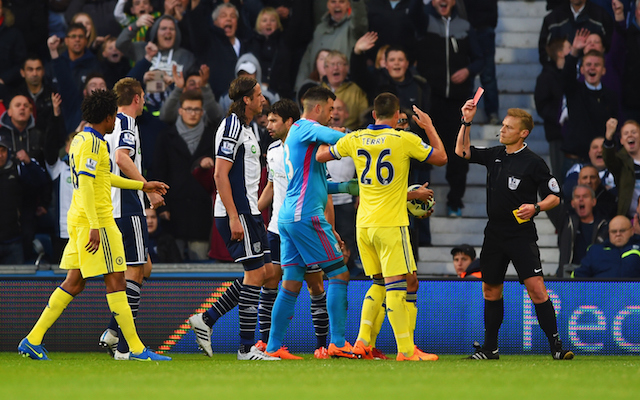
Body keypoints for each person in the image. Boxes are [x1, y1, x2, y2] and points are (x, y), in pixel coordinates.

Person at [17, 89, 170, 361]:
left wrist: (143, 185)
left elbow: (104, 178)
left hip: (79, 219)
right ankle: (135, 349)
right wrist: (96, 225)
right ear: (109, 117)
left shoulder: (80, 139)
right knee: (117, 282)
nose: (115, 123)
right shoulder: (95, 144)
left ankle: (32, 339)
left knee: (74, 283)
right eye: (114, 118)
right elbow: (88, 186)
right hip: (96, 220)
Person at [317, 93, 447, 361]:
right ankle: (407, 351)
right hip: (390, 224)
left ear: (374, 114)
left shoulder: (355, 138)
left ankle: (363, 342)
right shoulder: (404, 139)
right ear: (398, 115)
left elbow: (320, 155)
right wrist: (429, 127)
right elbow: (442, 157)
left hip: (363, 224)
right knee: (397, 285)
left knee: (378, 283)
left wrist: (333, 134)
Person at [455, 99, 574, 360]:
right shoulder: (494, 154)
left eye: (509, 127)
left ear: (523, 133)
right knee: (491, 289)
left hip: (520, 233)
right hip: (494, 233)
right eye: (503, 126)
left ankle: (555, 346)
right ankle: (490, 348)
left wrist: (536, 207)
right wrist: (467, 120)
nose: (503, 130)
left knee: (536, 288)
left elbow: (555, 195)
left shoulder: (534, 162)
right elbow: (462, 152)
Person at [188, 76, 278, 361]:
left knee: (264, 273)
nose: (264, 100)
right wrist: (233, 217)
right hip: (238, 213)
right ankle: (245, 348)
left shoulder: (248, 128)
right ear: (247, 100)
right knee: (255, 275)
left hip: (250, 212)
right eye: (259, 95)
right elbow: (219, 174)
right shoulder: (231, 126)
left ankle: (207, 319)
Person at [264, 86, 355, 359]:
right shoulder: (305, 128)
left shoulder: (302, 141)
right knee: (339, 274)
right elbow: (337, 137)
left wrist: (351, 188)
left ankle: (273, 347)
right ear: (317, 108)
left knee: (290, 282)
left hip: (288, 217)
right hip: (306, 216)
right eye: (330, 110)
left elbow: (318, 185)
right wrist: (370, 138)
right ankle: (337, 342)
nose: (332, 115)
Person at [99, 78, 163, 360]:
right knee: (135, 272)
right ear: (137, 98)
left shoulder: (111, 125)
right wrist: (145, 186)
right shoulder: (125, 123)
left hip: (111, 207)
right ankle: (125, 346)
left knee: (143, 267)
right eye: (144, 97)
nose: (146, 101)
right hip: (126, 206)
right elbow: (123, 158)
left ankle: (114, 331)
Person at [412, 0, 484, 217]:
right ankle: (422, 201)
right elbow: (413, 13)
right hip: (430, 100)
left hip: (457, 101)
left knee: (458, 153)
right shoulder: (423, 22)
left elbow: (481, 59)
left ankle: (455, 201)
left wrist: (468, 71)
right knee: (425, 151)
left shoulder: (464, 26)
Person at [152, 89, 214, 260]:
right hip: (173, 212)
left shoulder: (212, 137)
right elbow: (158, 172)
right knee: (173, 268)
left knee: (202, 269)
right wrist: (162, 206)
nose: (193, 113)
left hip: (202, 213)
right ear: (180, 110)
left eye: (197, 109)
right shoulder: (166, 137)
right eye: (189, 109)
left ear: (202, 112)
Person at [294, 0, 368, 91]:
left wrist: (356, 2)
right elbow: (307, 60)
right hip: (318, 89)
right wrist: (299, 87)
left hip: (345, 88)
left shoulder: (353, 28)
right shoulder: (320, 29)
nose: (337, 5)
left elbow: (360, 20)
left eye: (342, 2)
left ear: (348, 4)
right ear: (327, 5)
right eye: (333, 2)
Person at [0, 136, 47, 265]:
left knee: (16, 284)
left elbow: (41, 181)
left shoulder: (17, 169)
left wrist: (29, 163)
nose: (0, 155)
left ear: (8, 152)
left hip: (13, 241)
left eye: (3, 151)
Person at [556, 184, 609, 277]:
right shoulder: (566, 222)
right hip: (569, 274)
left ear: (593, 201)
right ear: (572, 203)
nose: (581, 199)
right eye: (577, 197)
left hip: (595, 275)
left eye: (585, 196)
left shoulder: (605, 225)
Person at [575, 215, 640, 278]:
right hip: (601, 288)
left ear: (632, 231)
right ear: (609, 233)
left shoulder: (638, 248)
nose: (618, 234)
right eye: (614, 231)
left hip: (633, 288)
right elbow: (578, 277)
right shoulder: (595, 251)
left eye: (622, 230)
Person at [603, 119, 640, 217]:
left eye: (634, 132)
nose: (630, 135)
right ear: (621, 140)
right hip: (629, 218)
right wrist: (609, 138)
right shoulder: (620, 162)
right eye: (626, 133)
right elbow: (609, 160)